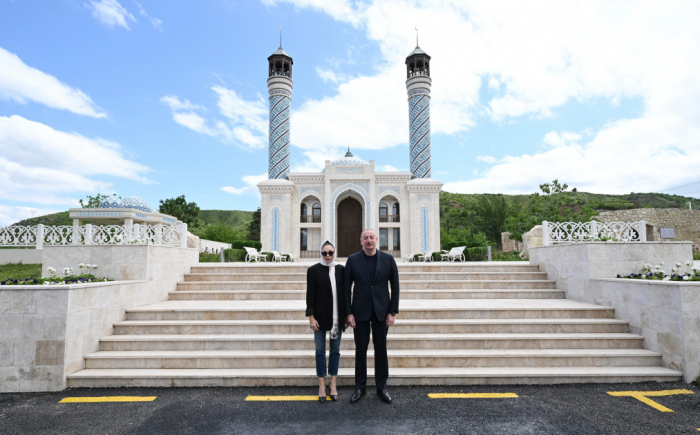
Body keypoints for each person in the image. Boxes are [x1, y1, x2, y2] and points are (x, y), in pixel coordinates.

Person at [344, 229, 400, 404]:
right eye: (365, 238)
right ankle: (360, 387)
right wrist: (348, 313)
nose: (369, 241)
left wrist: (392, 311)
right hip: (359, 312)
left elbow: (395, 286)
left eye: (371, 238)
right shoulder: (352, 260)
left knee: (381, 349)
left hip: (381, 312)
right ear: (361, 241)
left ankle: (381, 386)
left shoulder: (388, 259)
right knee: (360, 350)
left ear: (377, 240)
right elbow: (346, 289)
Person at [306, 240, 346, 403]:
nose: (328, 256)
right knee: (320, 352)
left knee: (335, 351)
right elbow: (310, 295)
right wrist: (311, 317)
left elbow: (345, 295)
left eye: (330, 252)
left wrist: (346, 316)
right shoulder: (313, 270)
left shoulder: (341, 270)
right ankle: (322, 385)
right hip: (320, 318)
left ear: (334, 253)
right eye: (324, 253)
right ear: (320, 253)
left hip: (337, 319)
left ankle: (333, 384)